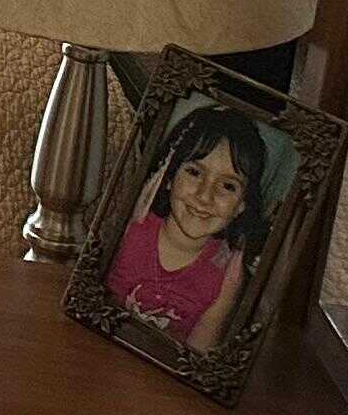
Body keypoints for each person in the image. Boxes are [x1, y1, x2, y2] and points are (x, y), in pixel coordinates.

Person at [103, 103, 275, 354]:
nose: (205, 196)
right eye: (194, 172)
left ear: (243, 204)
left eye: (228, 186)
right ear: (169, 177)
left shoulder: (227, 276)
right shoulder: (131, 229)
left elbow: (197, 355)